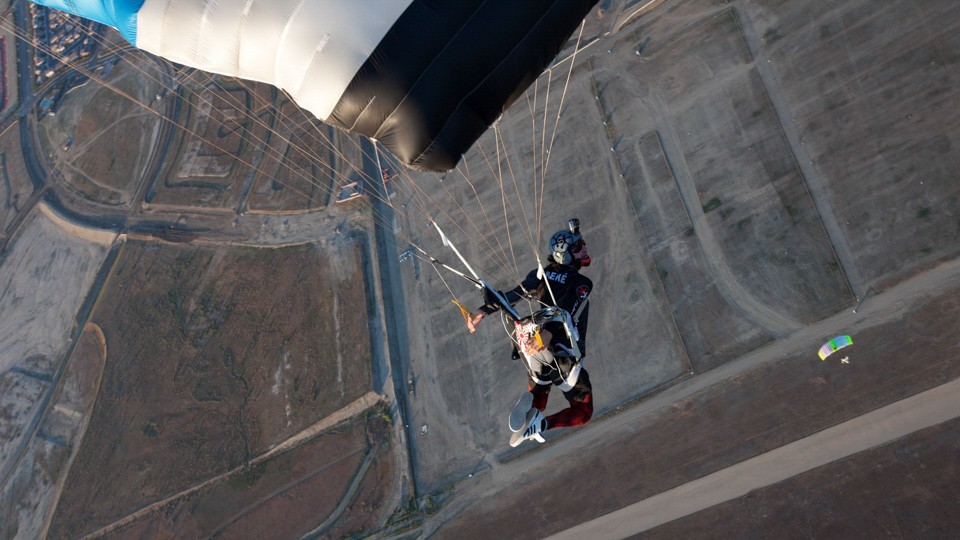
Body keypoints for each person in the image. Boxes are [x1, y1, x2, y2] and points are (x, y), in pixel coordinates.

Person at [467, 219, 594, 447]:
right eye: (578, 247)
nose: (584, 248)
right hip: (560, 353)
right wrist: (548, 335)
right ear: (566, 256)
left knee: (539, 393)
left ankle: (533, 408)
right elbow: (567, 307)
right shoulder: (581, 283)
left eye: (582, 243)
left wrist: (483, 311)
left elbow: (511, 296)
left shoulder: (540, 276)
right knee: (583, 411)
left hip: (531, 348)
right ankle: (541, 425)